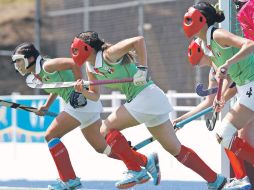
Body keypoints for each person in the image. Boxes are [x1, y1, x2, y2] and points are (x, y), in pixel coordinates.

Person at [71, 31, 229, 190]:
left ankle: (135, 169)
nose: (74, 53)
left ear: (87, 48)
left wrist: (142, 69)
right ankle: (215, 180)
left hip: (146, 96)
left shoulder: (108, 55)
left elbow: (138, 40)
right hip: (146, 100)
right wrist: (82, 90)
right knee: (176, 150)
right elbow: (94, 95)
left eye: (76, 49)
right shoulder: (90, 66)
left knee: (106, 128)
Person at [11, 42, 159, 190]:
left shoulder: (47, 66)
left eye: (18, 60)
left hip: (80, 103)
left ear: (30, 58)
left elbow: (73, 64)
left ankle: (68, 179)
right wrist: (46, 106)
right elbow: (57, 87)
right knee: (105, 149)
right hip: (83, 105)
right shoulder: (39, 74)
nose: (16, 64)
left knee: (50, 135)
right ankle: (146, 161)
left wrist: (78, 89)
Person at [183, 1, 254, 189]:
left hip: (252, 83)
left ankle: (241, 179)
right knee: (236, 136)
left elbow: (250, 44)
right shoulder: (207, 44)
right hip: (246, 87)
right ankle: (242, 179)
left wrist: (228, 63)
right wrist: (220, 97)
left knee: (225, 133)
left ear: (202, 19)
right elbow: (231, 77)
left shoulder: (217, 34)